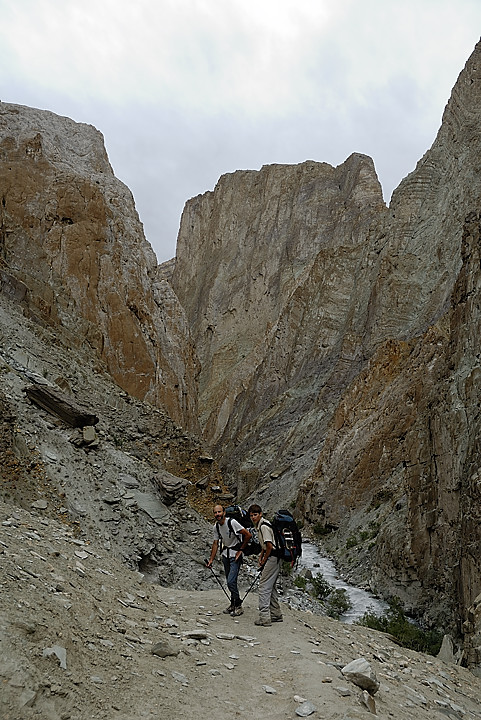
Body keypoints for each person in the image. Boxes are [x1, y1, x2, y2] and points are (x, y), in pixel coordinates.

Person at [206, 504, 252, 616]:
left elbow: (248, 535)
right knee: (231, 581)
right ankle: (233, 604)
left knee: (231, 581)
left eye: (219, 512)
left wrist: (241, 550)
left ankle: (238, 605)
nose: (217, 514)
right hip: (225, 555)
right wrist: (211, 560)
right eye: (215, 512)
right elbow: (215, 543)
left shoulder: (232, 523)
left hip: (235, 555)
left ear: (224, 513)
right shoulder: (216, 527)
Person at [248, 503, 283, 626]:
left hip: (272, 557)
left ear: (260, 514)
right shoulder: (263, 524)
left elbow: (269, 545)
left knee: (263, 586)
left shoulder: (263, 526)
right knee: (271, 586)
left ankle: (264, 617)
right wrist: (261, 555)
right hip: (276, 557)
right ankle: (276, 614)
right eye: (251, 515)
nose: (253, 517)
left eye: (255, 515)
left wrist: (264, 560)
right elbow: (265, 545)